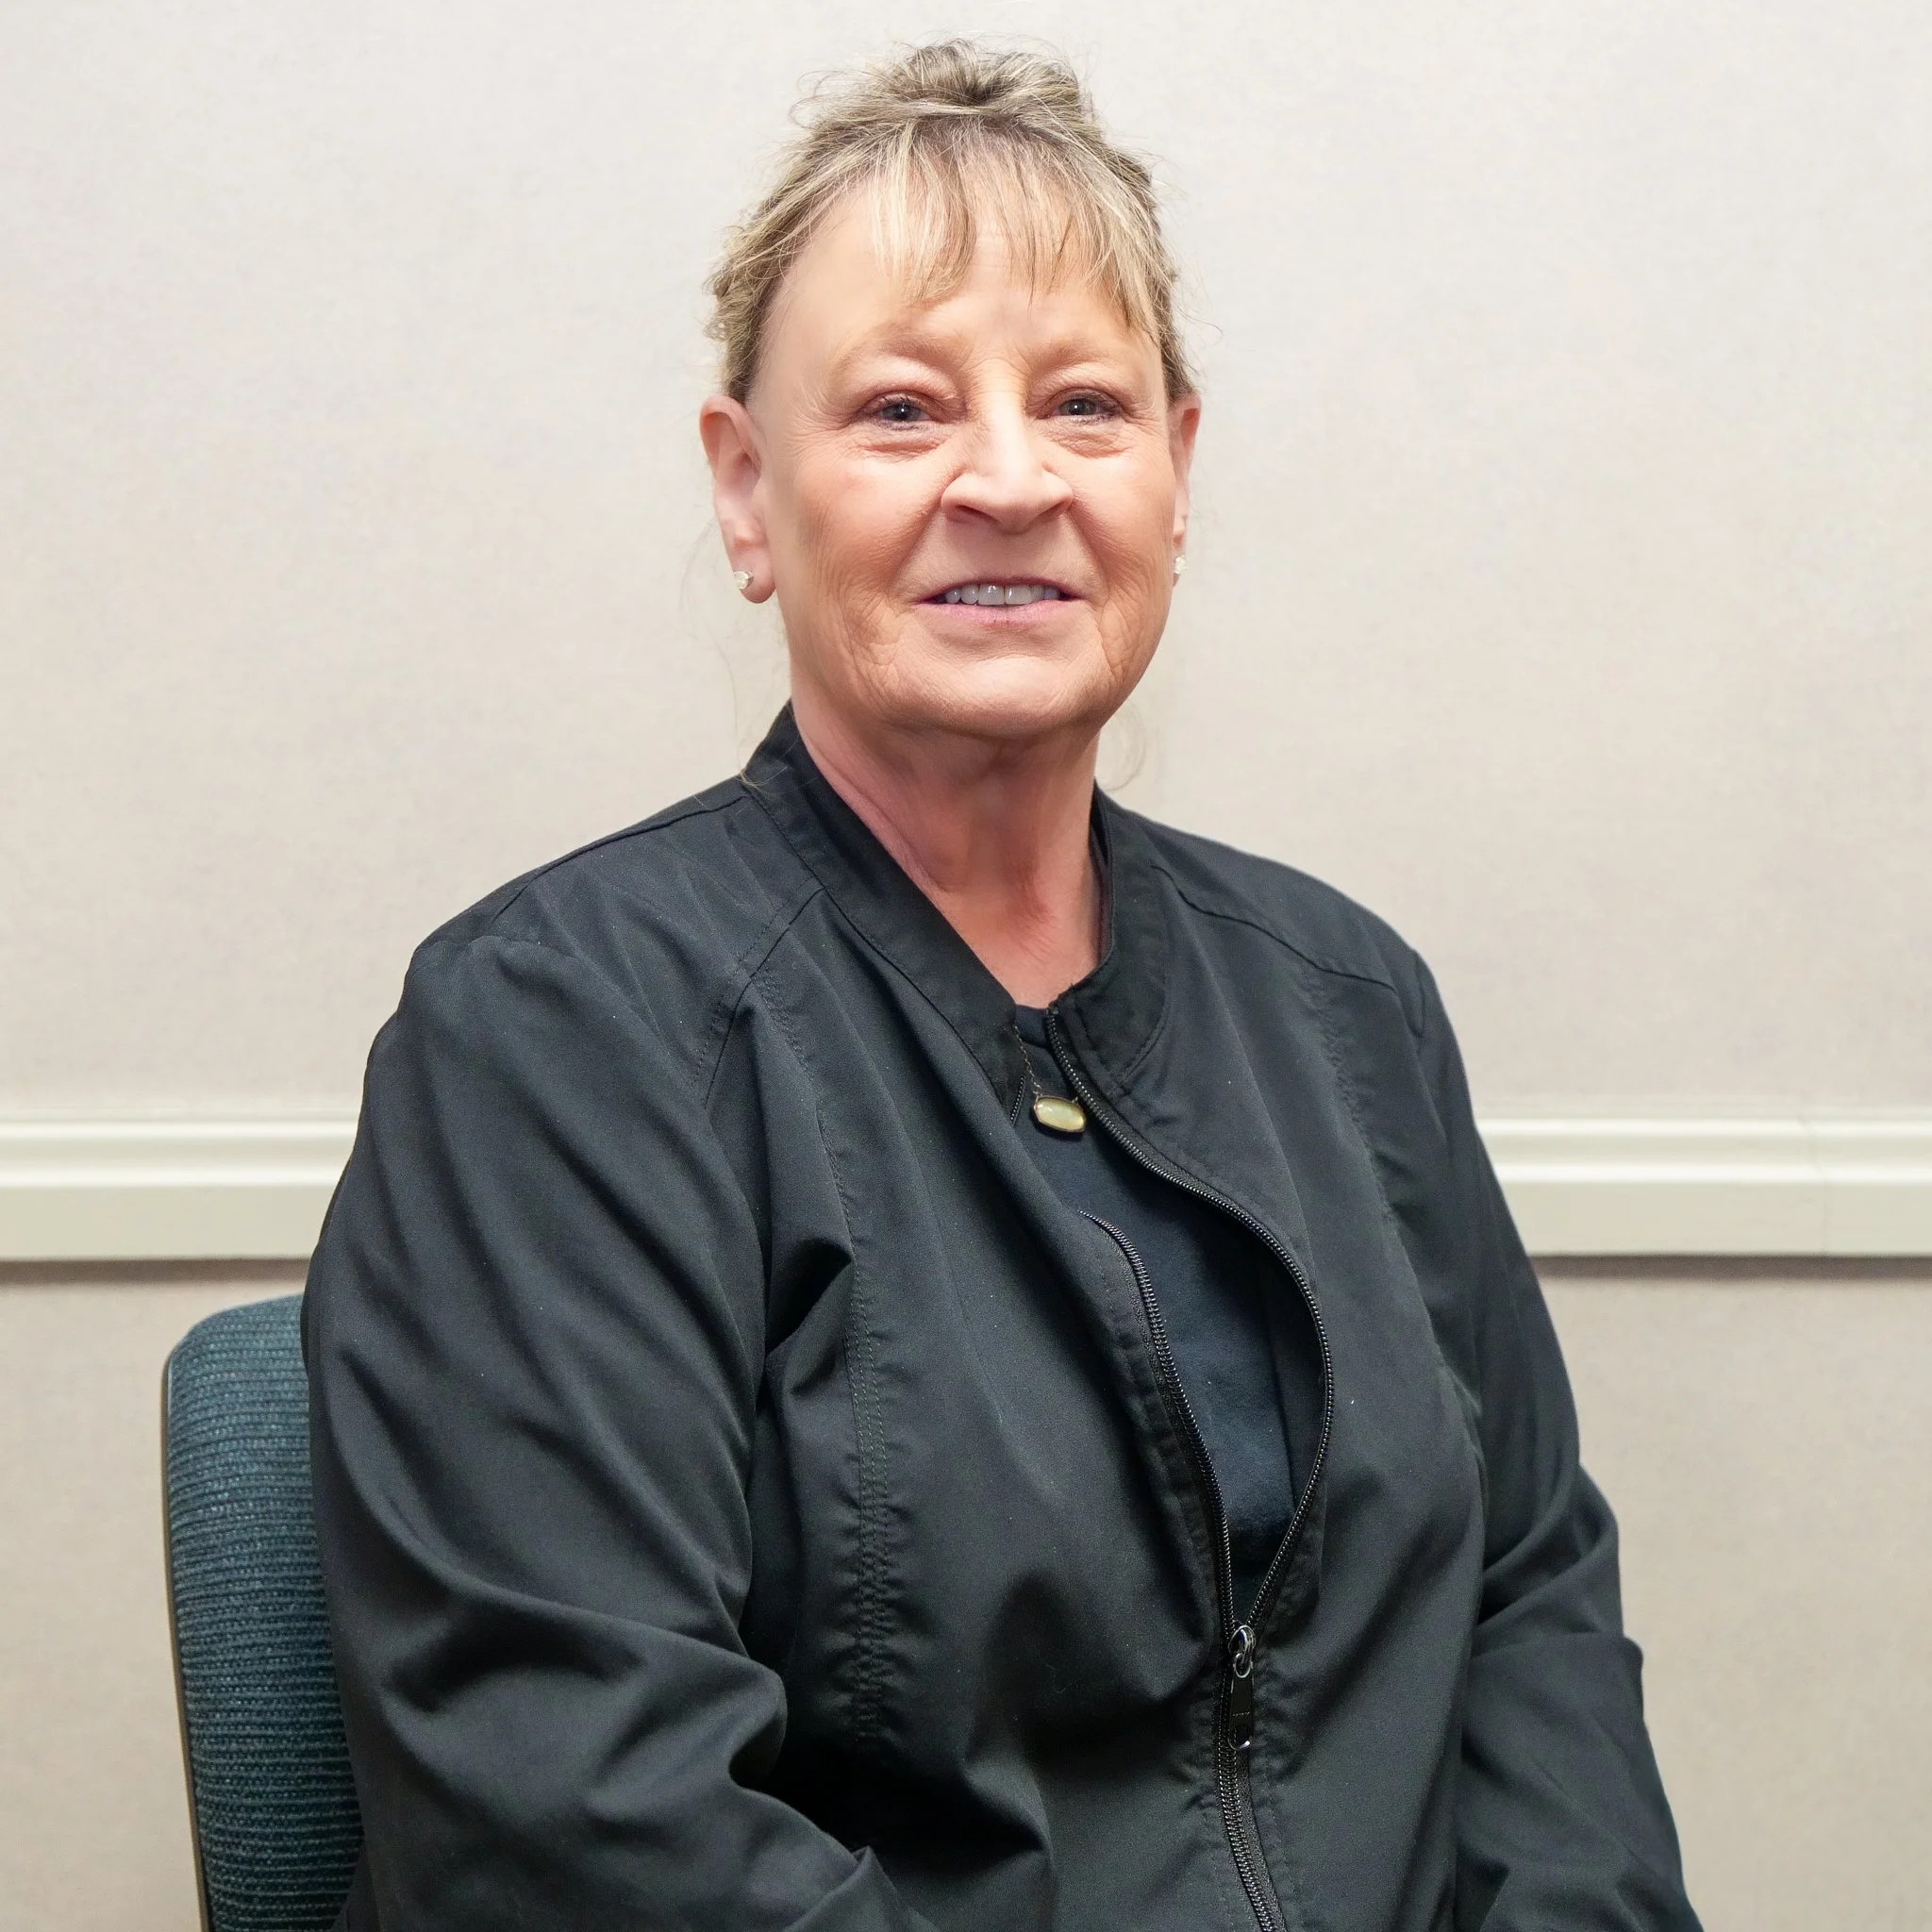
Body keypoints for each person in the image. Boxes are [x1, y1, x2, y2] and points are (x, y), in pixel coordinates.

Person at [305, 41, 1701, 1932]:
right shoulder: (554, 1032)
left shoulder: (1353, 1005)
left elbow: (1531, 1613)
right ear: (746, 493)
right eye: (900, 409)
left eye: (1084, 406)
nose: (1010, 479)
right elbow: (579, 1811)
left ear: (1175, 477)